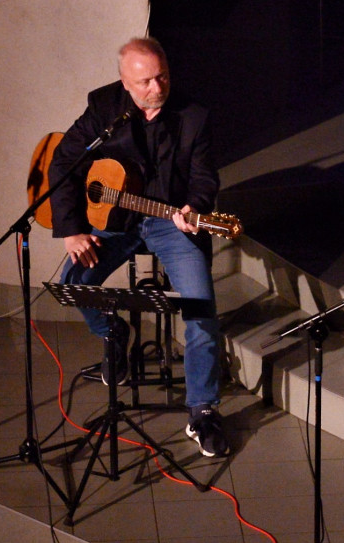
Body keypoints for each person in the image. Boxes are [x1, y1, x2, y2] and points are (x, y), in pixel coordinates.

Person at [49, 37, 228, 457]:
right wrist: (73, 229)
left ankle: (202, 409)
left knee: (201, 310)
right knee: (74, 282)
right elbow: (64, 161)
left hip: (170, 223)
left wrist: (195, 207)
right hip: (114, 223)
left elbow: (205, 178)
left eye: (161, 75)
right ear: (125, 82)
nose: (156, 86)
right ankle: (115, 336)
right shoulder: (104, 108)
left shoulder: (194, 116)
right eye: (145, 80)